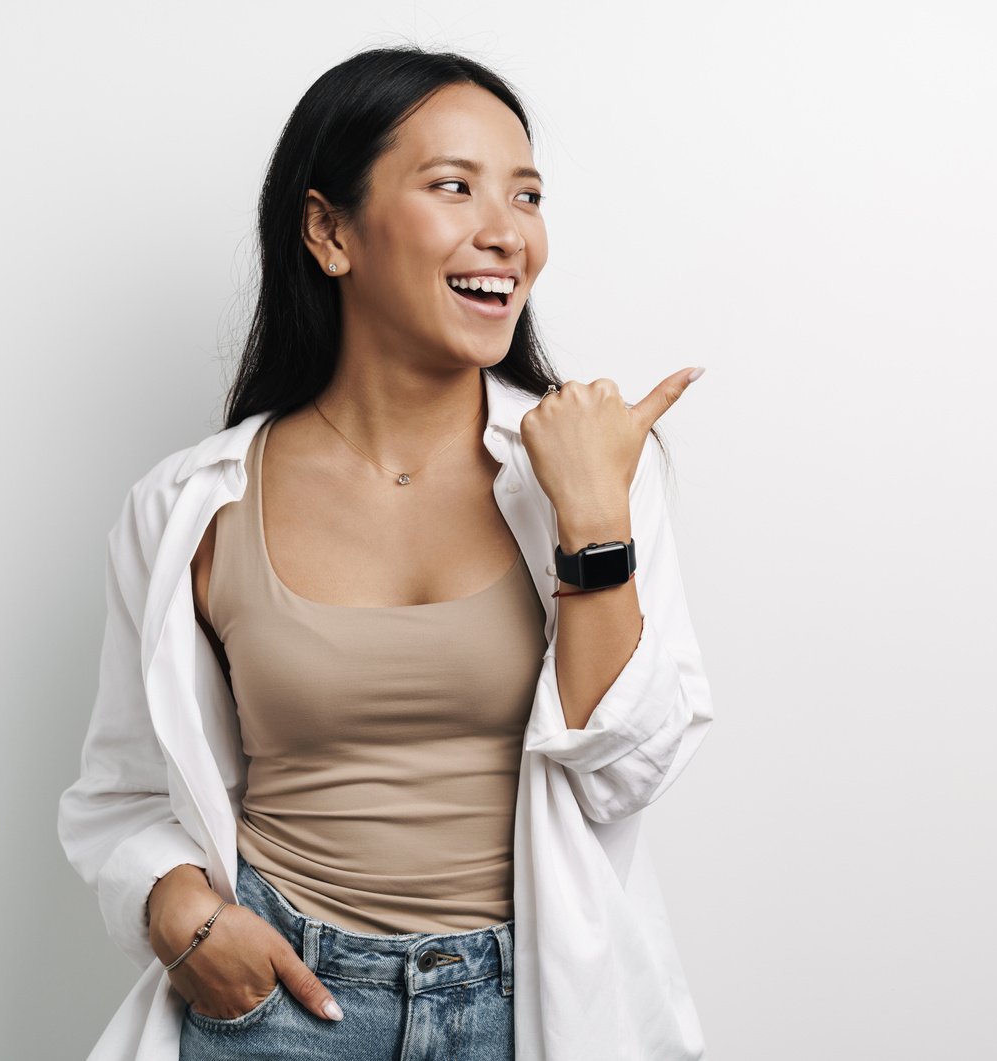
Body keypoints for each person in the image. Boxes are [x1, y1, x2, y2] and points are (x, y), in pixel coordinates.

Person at [57, 45, 714, 1061]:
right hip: (280, 997)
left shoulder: (588, 469)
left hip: (528, 1002)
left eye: (526, 194)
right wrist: (184, 920)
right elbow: (125, 789)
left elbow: (623, 775)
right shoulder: (194, 504)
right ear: (329, 231)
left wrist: (593, 522)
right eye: (454, 186)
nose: (506, 231)